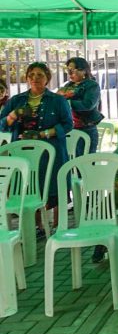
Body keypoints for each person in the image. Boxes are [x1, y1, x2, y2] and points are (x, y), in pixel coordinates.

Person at [0, 62, 73, 230]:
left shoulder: (58, 100)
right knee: (29, 186)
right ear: (27, 78)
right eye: (31, 75)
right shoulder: (17, 100)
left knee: (55, 185)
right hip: (23, 152)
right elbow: (2, 125)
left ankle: (58, 226)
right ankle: (37, 226)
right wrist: (14, 114)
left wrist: (43, 134)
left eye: (40, 75)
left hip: (51, 150)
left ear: (47, 78)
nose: (35, 78)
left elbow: (68, 124)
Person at [59, 57, 108, 263]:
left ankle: (92, 203)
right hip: (70, 130)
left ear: (83, 70)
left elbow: (88, 105)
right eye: (68, 70)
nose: (70, 73)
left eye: (73, 70)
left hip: (87, 129)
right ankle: (78, 201)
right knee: (71, 167)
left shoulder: (91, 86)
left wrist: (68, 100)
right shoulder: (67, 86)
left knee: (86, 166)